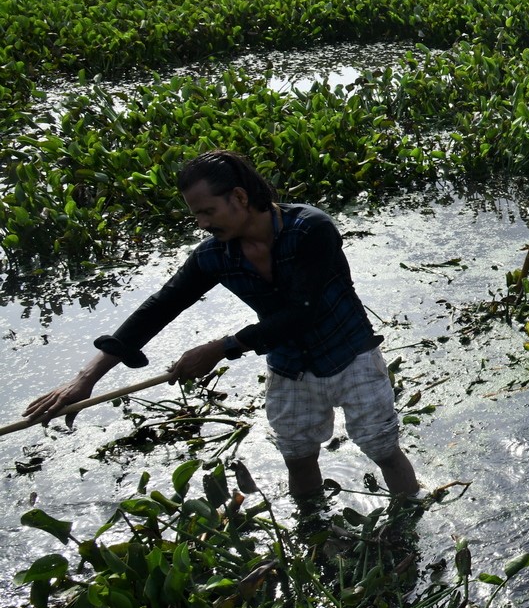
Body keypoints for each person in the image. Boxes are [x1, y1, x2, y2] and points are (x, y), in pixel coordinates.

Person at [24, 151, 420, 501]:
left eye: (207, 211)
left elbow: (303, 311)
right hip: (290, 367)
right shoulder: (215, 255)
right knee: (298, 458)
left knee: (383, 449)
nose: (201, 223)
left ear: (240, 198)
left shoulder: (310, 229)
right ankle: (312, 532)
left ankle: (410, 522)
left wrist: (221, 347)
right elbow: (159, 307)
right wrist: (87, 378)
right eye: (195, 214)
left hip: (352, 355)